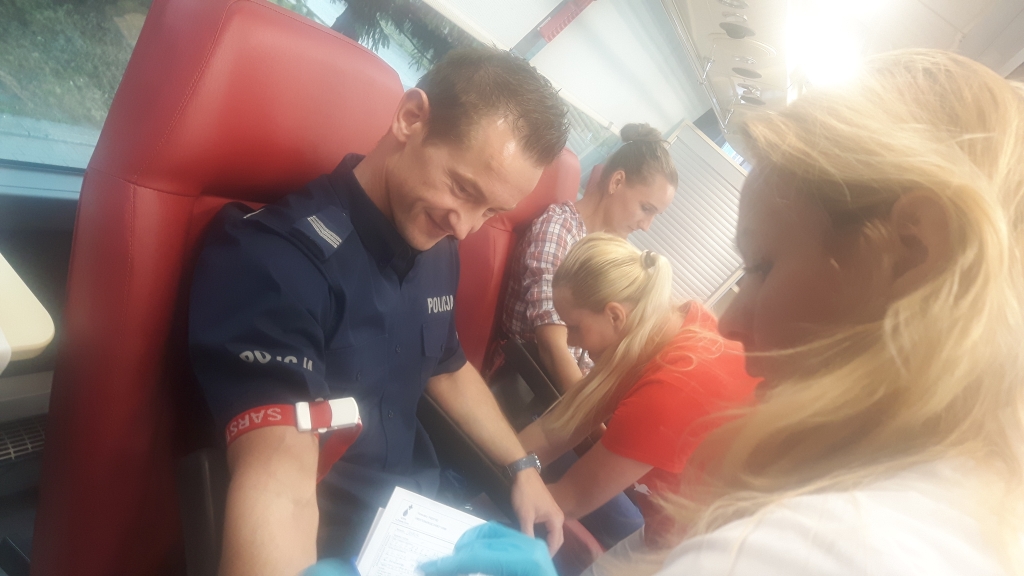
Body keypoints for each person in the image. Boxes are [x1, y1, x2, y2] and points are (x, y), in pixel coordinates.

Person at [419, 49, 1024, 576]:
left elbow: (568, 491)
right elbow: (561, 431)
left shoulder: (801, 548)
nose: (730, 326)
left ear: (910, 252)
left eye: (762, 266)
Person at [188, 46, 572, 576]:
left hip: (419, 517)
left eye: (491, 210)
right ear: (410, 119)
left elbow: (448, 366)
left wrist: (521, 466)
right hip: (337, 542)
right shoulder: (275, 263)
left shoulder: (436, 244)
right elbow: (279, 484)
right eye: (462, 189)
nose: (465, 228)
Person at [516, 233, 758, 553]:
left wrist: (491, 486)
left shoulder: (675, 387)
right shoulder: (666, 325)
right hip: (663, 528)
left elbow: (569, 499)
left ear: (615, 316)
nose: (570, 340)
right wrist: (507, 461)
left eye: (573, 326)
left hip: (709, 549)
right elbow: (555, 430)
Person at [501, 124, 677, 393]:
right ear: (616, 182)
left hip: (570, 380)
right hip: (529, 379)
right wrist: (586, 413)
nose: (646, 226)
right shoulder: (559, 230)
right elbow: (551, 345)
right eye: (646, 208)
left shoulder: (610, 251)